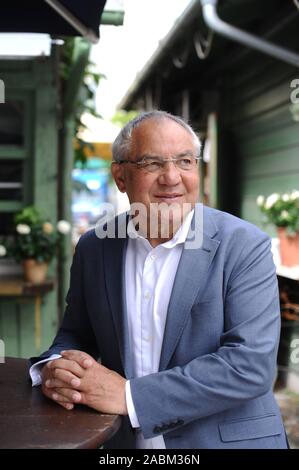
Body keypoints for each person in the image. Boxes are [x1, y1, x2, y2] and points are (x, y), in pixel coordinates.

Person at [30, 110, 288, 449]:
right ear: (120, 177)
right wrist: (55, 369)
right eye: (152, 164)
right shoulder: (95, 247)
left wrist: (127, 396)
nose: (171, 178)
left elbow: (250, 365)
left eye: (185, 161)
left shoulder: (243, 245)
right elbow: (77, 333)